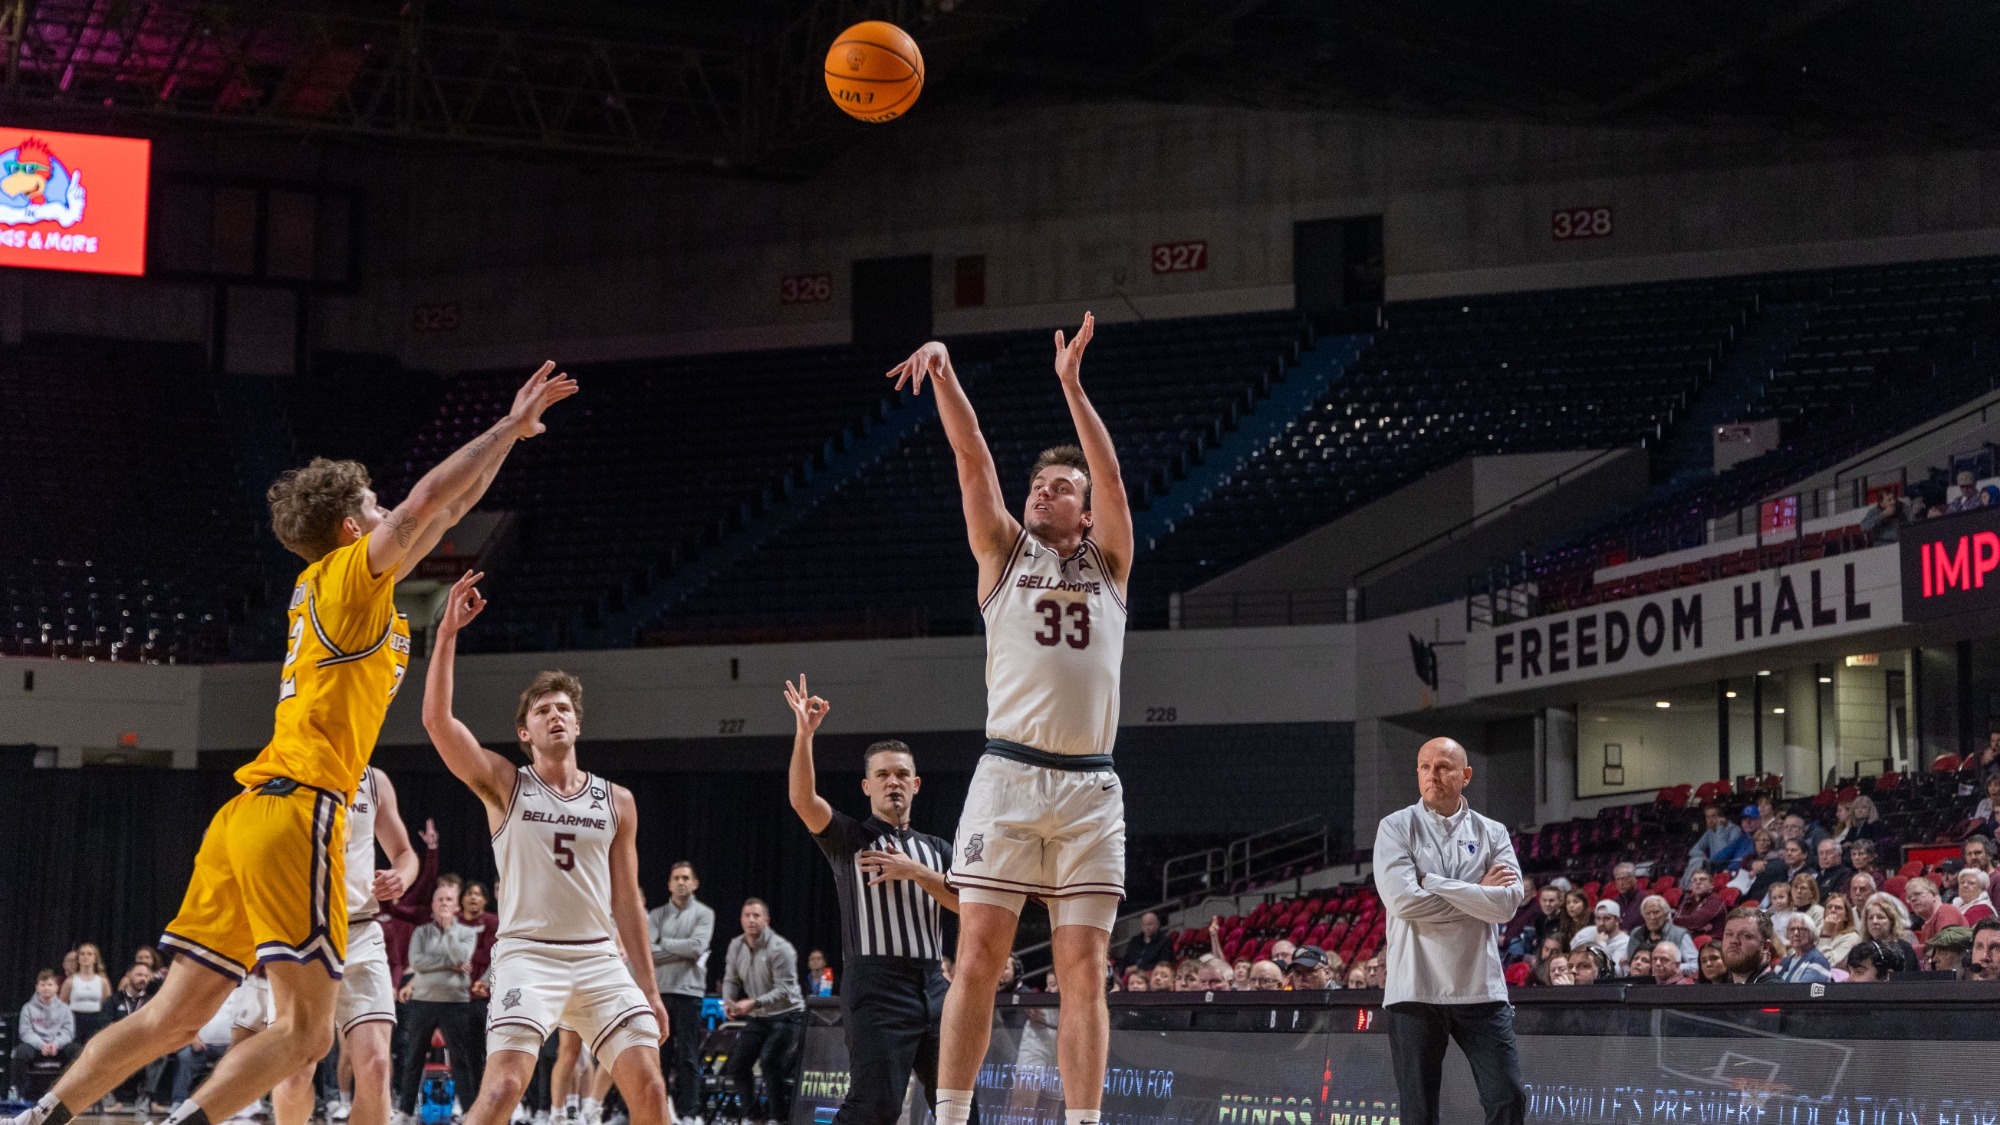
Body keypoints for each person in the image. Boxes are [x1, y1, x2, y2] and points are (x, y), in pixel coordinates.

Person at [7, 364, 577, 1125]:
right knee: (308, 1033)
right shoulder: (347, 579)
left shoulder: (330, 589)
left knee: (171, 1017)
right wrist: (506, 425)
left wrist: (512, 441)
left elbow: (444, 510)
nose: (385, 510)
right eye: (371, 503)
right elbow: (427, 504)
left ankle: (40, 1115)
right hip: (300, 812)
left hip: (247, 815)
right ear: (350, 528)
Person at [895, 317, 1132, 1125]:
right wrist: (945, 372)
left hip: (1091, 786)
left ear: (1087, 513)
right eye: (1039, 485)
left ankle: (1083, 1122)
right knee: (978, 957)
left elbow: (1109, 471)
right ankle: (950, 1117)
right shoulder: (1002, 552)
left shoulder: (1111, 561)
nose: (1043, 491)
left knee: (1083, 969)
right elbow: (973, 458)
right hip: (1008, 773)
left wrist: (1072, 386)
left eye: (1061, 487)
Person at [421, 574, 673, 1125]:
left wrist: (650, 988)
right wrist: (446, 635)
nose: (555, 715)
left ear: (577, 724)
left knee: (652, 1091)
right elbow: (438, 723)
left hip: (599, 958)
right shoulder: (506, 785)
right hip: (528, 957)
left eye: (563, 709)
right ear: (525, 733)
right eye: (542, 711)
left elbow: (626, 899)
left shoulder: (618, 801)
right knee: (502, 1090)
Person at [783, 677, 962, 1125]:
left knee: (960, 1106)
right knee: (875, 1108)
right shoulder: (850, 838)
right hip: (876, 989)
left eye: (901, 774)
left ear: (916, 784)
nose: (892, 782)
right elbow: (802, 800)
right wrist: (805, 735)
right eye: (882, 775)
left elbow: (965, 905)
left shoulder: (938, 849)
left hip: (934, 986)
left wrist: (915, 871)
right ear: (867, 787)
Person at [1374, 736, 1527, 1125]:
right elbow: (1404, 903)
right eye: (1425, 767)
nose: (1433, 775)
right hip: (1414, 989)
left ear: (1466, 775)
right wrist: (1479, 895)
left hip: (1480, 988)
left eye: (1443, 767)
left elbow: (1507, 905)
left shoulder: (1493, 832)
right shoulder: (1395, 827)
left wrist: (1434, 883)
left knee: (1508, 1097)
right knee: (1419, 1113)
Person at [267, 767, 419, 1125]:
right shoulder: (280, 772)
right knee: (294, 1075)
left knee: (377, 1067)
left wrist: (401, 877)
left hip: (360, 932)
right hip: (299, 937)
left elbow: (404, 853)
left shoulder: (374, 780)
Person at [394, 881, 482, 1119]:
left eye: (449, 900)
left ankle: (468, 1111)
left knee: (461, 1059)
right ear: (432, 905)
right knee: (413, 1057)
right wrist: (449, 965)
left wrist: (449, 931)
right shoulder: (421, 932)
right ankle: (405, 1111)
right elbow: (417, 963)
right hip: (423, 1001)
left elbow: (461, 956)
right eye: (440, 899)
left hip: (455, 1003)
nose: (444, 903)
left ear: (457, 907)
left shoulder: (467, 933)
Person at [721, 900, 805, 1125]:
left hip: (788, 1014)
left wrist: (754, 1002)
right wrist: (728, 1002)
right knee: (737, 1065)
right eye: (747, 915)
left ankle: (777, 1117)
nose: (751, 920)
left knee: (769, 1060)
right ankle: (753, 1116)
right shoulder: (736, 945)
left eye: (756, 915)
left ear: (766, 920)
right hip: (759, 1016)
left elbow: (784, 989)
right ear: (741, 919)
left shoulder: (781, 948)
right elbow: (731, 979)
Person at [647, 862, 713, 1125]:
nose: (681, 882)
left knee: (687, 1055)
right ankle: (659, 1112)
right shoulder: (656, 915)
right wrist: (681, 950)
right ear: (669, 884)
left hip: (689, 993)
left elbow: (697, 947)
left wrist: (662, 943)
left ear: (695, 883)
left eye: (686, 878)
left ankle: (689, 1113)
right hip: (660, 993)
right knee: (659, 1056)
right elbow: (648, 952)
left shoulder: (704, 913)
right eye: (676, 878)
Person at [13, 971, 78, 1093]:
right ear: (37, 988)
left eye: (49, 984)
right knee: (21, 1053)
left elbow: (68, 1032)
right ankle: (19, 1091)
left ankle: (73, 1091)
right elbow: (25, 1032)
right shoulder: (28, 1008)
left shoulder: (65, 1008)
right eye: (42, 985)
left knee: (76, 1051)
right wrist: (41, 1044)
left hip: (57, 1047)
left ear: (56, 988)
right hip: (36, 1047)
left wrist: (56, 1043)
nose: (46, 988)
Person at [1628, 896, 1697, 975]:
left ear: (1666, 914)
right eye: (1647, 913)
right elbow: (1630, 962)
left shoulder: (1679, 934)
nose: (1652, 917)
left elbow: (1695, 965)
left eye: (1656, 912)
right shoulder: (1636, 934)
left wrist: (1670, 968)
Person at [59, 945, 109, 1046]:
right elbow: (61, 1005)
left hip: (96, 1021)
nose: (86, 957)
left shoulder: (103, 982)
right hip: (75, 1020)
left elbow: (107, 1005)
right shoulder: (70, 981)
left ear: (95, 958)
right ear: (78, 959)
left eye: (89, 954)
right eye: (82, 954)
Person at [1859, 894, 1920, 973]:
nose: (1874, 921)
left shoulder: (1904, 948)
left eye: (1880, 917)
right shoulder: (1861, 950)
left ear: (1892, 922)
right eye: (1870, 918)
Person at [1717, 907, 1779, 984]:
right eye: (1729, 934)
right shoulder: (1718, 987)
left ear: (1765, 946)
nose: (1733, 941)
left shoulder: (1775, 989)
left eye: (1746, 935)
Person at [1685, 806, 1745, 881]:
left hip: (1728, 866)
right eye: (1708, 817)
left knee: (1697, 863)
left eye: (1713, 816)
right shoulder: (1709, 832)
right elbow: (1692, 851)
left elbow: (1723, 854)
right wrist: (1703, 856)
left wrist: (1720, 828)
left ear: (1721, 817)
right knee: (1695, 860)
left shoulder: (1734, 829)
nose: (1710, 820)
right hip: (1714, 866)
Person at [1568, 901, 1631, 971]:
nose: (1601, 923)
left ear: (1617, 920)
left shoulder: (1625, 942)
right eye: (1598, 918)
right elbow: (1570, 953)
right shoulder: (1586, 933)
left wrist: (1601, 944)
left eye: (1606, 918)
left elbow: (1614, 971)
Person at [1773, 916, 1834, 984]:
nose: (1796, 933)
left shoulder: (1818, 960)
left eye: (1801, 929)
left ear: (1811, 934)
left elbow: (1802, 989)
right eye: (1792, 929)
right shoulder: (1784, 961)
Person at [1673, 871, 1727, 941]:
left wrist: (1671, 921)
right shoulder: (1688, 900)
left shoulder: (1715, 901)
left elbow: (1694, 922)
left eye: (1702, 879)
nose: (1698, 882)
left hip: (1711, 943)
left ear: (1711, 885)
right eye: (1694, 880)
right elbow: (1679, 919)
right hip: (1689, 938)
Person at [1817, 893, 1861, 967]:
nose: (1833, 910)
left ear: (1846, 916)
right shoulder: (1817, 931)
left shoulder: (1852, 938)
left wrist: (1826, 936)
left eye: (1838, 908)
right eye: (1829, 907)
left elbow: (1829, 964)